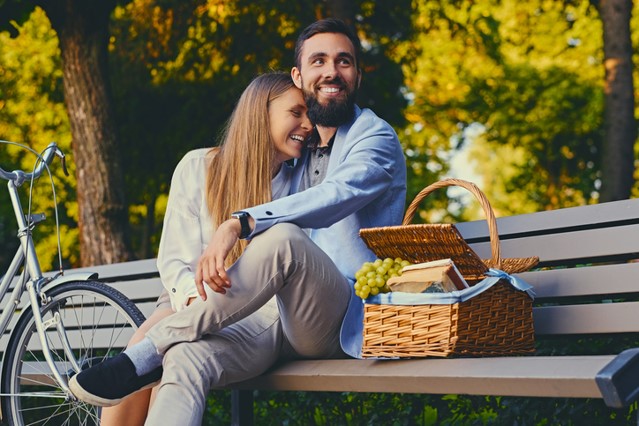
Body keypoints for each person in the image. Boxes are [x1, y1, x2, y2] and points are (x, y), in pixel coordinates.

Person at [70, 18, 407, 425]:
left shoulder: (374, 139)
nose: (332, 71)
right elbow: (180, 263)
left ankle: (144, 353)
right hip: (263, 319)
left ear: (358, 73)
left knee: (281, 239)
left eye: (344, 61)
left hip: (334, 318)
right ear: (299, 76)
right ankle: (156, 351)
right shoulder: (293, 156)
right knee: (186, 358)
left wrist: (240, 222)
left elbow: (332, 198)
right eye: (319, 61)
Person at [98, 71, 312, 425]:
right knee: (155, 337)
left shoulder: (300, 185)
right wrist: (199, 305)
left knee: (166, 347)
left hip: (255, 314)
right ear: (262, 112)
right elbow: (175, 262)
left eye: (309, 116)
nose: (307, 125)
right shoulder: (198, 167)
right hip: (187, 300)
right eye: (296, 113)